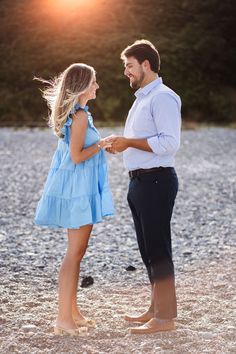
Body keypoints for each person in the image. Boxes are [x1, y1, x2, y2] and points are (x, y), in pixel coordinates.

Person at [34, 63, 114, 336]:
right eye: (93, 82)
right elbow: (77, 156)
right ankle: (63, 320)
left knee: (77, 253)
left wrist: (99, 146)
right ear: (81, 87)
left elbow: (78, 151)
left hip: (81, 188)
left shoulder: (82, 114)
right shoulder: (78, 116)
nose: (97, 86)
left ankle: (73, 311)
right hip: (77, 191)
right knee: (74, 254)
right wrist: (101, 145)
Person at [107, 40, 181, 334]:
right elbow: (143, 140)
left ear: (145, 65)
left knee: (158, 250)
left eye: (129, 65)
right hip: (139, 181)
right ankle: (155, 309)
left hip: (156, 180)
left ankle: (165, 319)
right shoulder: (142, 97)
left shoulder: (162, 97)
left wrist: (128, 142)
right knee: (147, 250)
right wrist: (121, 144)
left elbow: (169, 143)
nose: (126, 71)